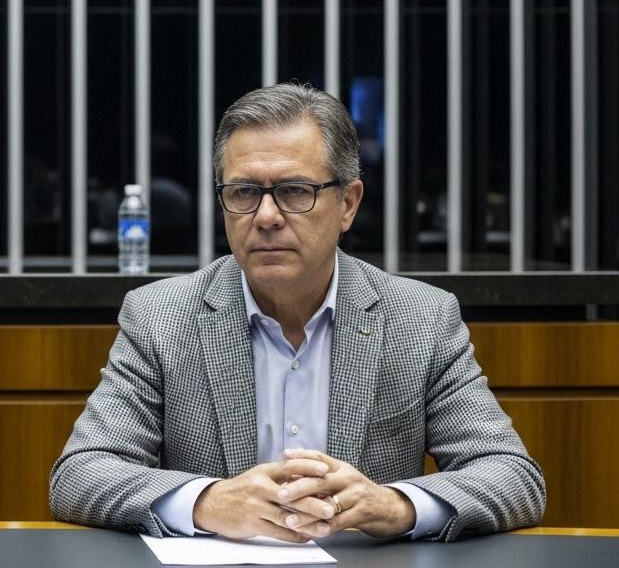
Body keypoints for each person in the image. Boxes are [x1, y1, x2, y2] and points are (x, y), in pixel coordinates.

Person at [49, 83, 544, 542]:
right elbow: (80, 473)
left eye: (294, 191)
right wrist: (207, 502)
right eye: (244, 192)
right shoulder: (161, 317)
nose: (266, 216)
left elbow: (513, 476)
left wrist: (395, 506)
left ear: (348, 204)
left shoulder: (420, 319)